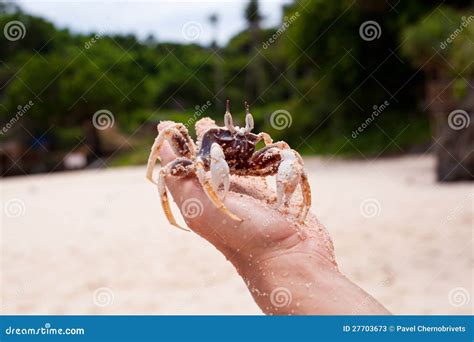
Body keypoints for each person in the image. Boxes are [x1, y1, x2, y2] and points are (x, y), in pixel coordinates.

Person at [157, 122, 390, 315]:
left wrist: (287, 241)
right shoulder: (203, 152)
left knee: (288, 154)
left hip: (244, 168)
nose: (238, 143)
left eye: (247, 138)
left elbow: (286, 155)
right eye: (229, 138)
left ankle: (293, 201)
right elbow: (188, 157)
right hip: (207, 162)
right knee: (166, 167)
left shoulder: (258, 155)